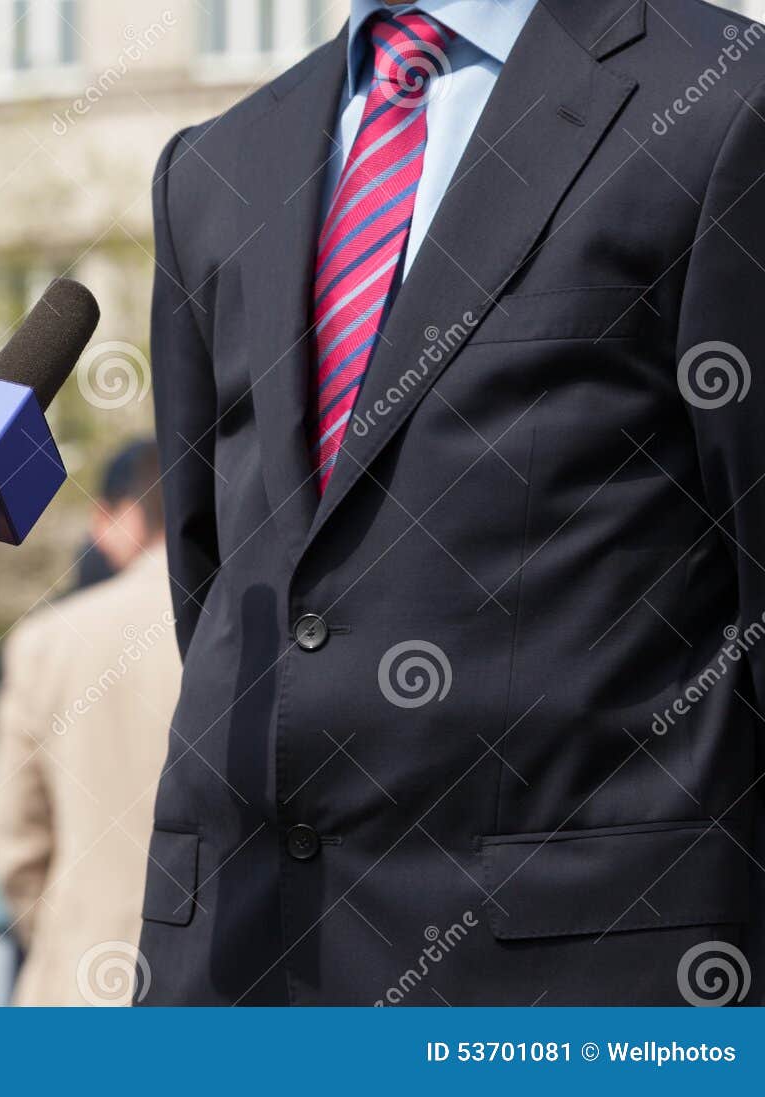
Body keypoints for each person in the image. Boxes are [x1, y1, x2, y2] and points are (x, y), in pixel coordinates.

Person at [144, 0, 765, 1005]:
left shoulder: (724, 100)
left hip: (576, 974)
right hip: (236, 960)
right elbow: (216, 580)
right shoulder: (214, 164)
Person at [0, 440, 180, 1005]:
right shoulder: (262, 630)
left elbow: (16, 847)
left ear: (116, 515)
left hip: (77, 984)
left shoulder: (48, 642)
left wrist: (64, 937)